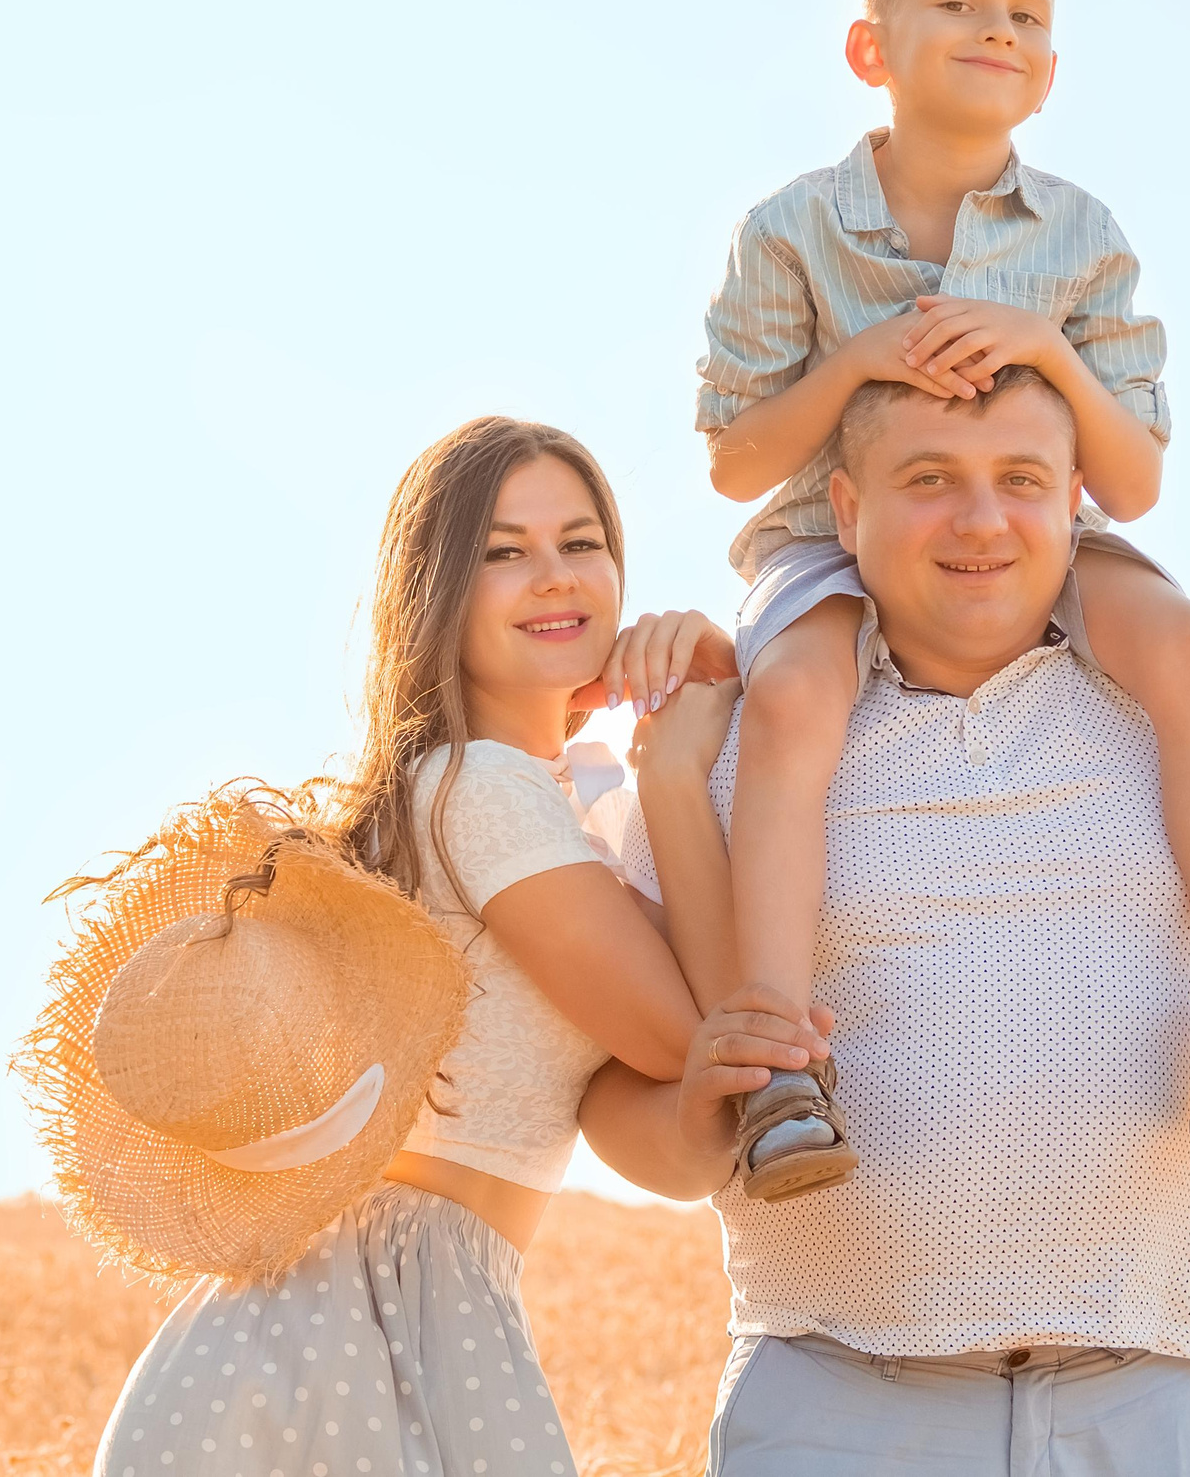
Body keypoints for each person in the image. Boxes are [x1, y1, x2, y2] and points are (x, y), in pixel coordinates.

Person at [585, 368, 1190, 1475]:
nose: (980, 520)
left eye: (1021, 480)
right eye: (929, 478)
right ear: (847, 511)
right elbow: (612, 1086)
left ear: (1074, 500)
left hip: (1152, 1400)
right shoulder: (738, 744)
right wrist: (695, 1124)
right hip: (835, 1402)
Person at [693, 0, 1190, 1201]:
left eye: (1025, 15)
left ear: (1048, 73)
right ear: (871, 48)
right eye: (959, 3)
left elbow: (1136, 481)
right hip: (832, 538)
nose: (996, 28)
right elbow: (734, 457)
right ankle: (778, 1060)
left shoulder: (1081, 239)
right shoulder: (793, 231)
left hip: (1041, 533)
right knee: (799, 694)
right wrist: (863, 362)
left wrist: (1044, 345)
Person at [88, 416, 819, 1477]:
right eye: (502, 552)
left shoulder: (522, 800)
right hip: (369, 1321)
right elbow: (696, 1031)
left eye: (581, 543)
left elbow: (680, 1093)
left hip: (358, 1320)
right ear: (436, 589)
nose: (554, 578)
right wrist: (674, 767)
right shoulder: (485, 792)